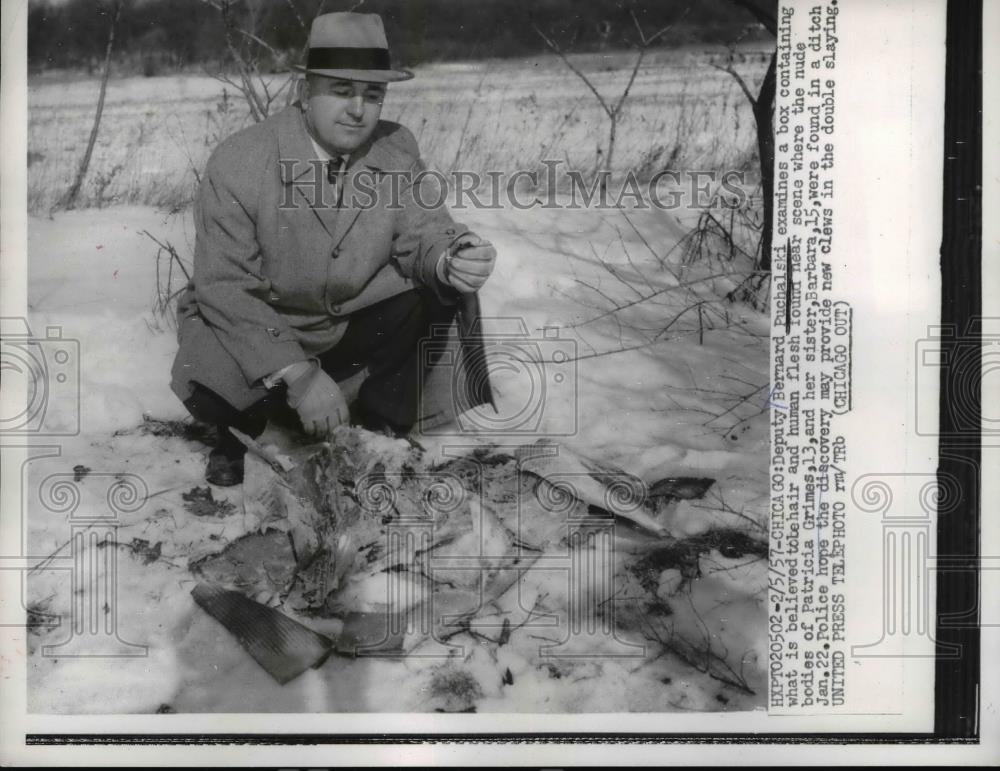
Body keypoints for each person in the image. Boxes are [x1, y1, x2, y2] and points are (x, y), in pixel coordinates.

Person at [170, 12, 497, 486]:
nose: (358, 110)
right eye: (341, 91)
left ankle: (380, 432)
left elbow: (424, 230)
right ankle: (239, 431)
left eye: (373, 94)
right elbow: (226, 287)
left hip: (344, 326)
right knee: (213, 373)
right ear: (305, 93)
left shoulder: (395, 147)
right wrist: (300, 376)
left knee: (435, 289)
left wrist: (453, 257)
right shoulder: (241, 160)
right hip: (260, 329)